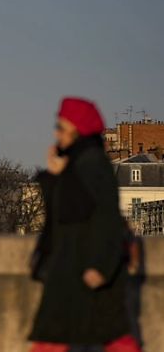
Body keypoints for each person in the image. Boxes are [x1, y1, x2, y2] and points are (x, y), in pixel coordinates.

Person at [28, 97, 141, 352]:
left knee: (61, 338)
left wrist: (100, 266)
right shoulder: (80, 162)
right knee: (110, 336)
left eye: (60, 127)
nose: (56, 134)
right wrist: (56, 174)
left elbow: (106, 217)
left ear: (76, 129)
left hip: (83, 266)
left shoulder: (91, 164)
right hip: (76, 265)